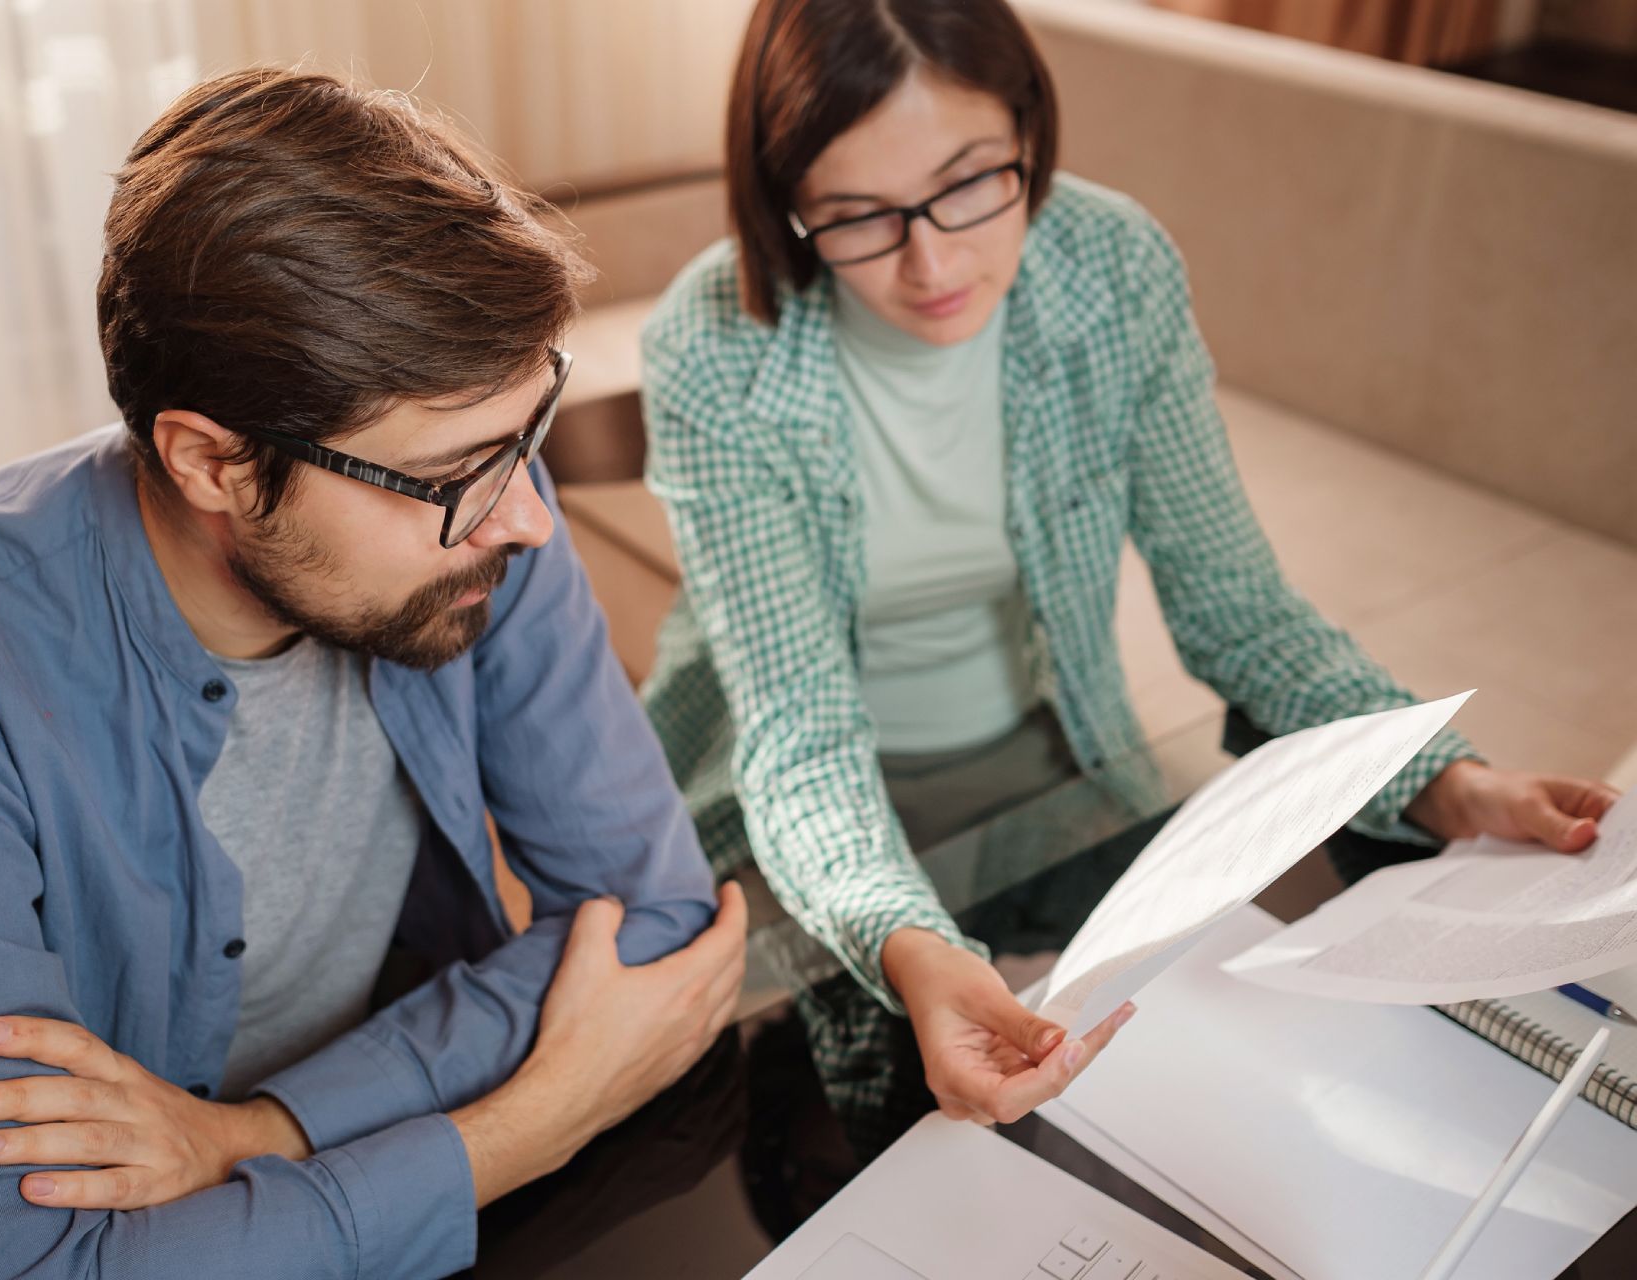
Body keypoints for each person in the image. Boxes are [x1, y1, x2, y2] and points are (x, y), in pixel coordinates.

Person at [0, 68, 745, 1280]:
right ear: (211, 463)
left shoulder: (476, 507)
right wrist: (520, 1126)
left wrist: (254, 1136)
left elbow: (650, 928)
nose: (529, 518)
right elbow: (26, 1266)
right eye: (457, 473)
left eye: (524, 437)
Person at [636, 0, 1619, 1135]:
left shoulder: (1113, 266)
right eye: (856, 217)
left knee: (1222, 1081)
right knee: (860, 1116)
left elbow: (1239, 613)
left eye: (969, 183)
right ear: (784, 204)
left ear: (1028, 130)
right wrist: (909, 942)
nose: (932, 260)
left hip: (1048, 758)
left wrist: (1438, 776)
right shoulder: (710, 346)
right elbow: (800, 738)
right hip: (789, 802)